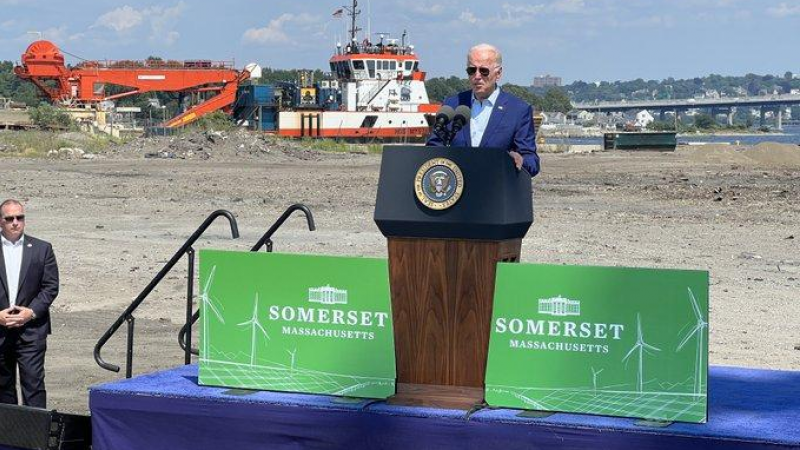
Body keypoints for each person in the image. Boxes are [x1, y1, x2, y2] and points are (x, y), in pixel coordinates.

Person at [426, 43, 540, 177]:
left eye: (484, 71)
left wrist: (519, 160)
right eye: (472, 70)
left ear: (498, 74)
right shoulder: (452, 104)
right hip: (456, 188)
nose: (477, 76)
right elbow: (433, 147)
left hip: (496, 189)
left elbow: (532, 161)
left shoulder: (518, 110)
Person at [0, 199, 59, 408]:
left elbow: (50, 287)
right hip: (1, 331)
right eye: (9, 218)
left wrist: (31, 312)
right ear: (1, 222)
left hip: (31, 331)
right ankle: (7, 439)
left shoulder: (42, 249)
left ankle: (35, 439)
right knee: (3, 389)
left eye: (20, 217)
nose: (15, 222)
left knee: (33, 386)